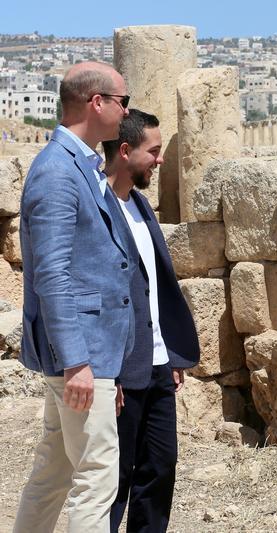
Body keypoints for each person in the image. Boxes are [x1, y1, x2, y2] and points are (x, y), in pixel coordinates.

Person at [15, 61, 134, 532]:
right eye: (122, 100)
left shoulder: (76, 163)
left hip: (88, 351)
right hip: (79, 353)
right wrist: (79, 362)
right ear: (96, 102)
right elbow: (52, 274)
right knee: (97, 478)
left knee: (55, 470)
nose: (127, 111)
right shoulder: (58, 173)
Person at [102, 109, 200, 533]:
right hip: (123, 369)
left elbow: (154, 286)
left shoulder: (140, 205)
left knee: (160, 469)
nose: (160, 161)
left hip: (158, 364)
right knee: (115, 478)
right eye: (154, 152)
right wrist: (109, 370)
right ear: (125, 151)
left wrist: (171, 352)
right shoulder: (99, 209)